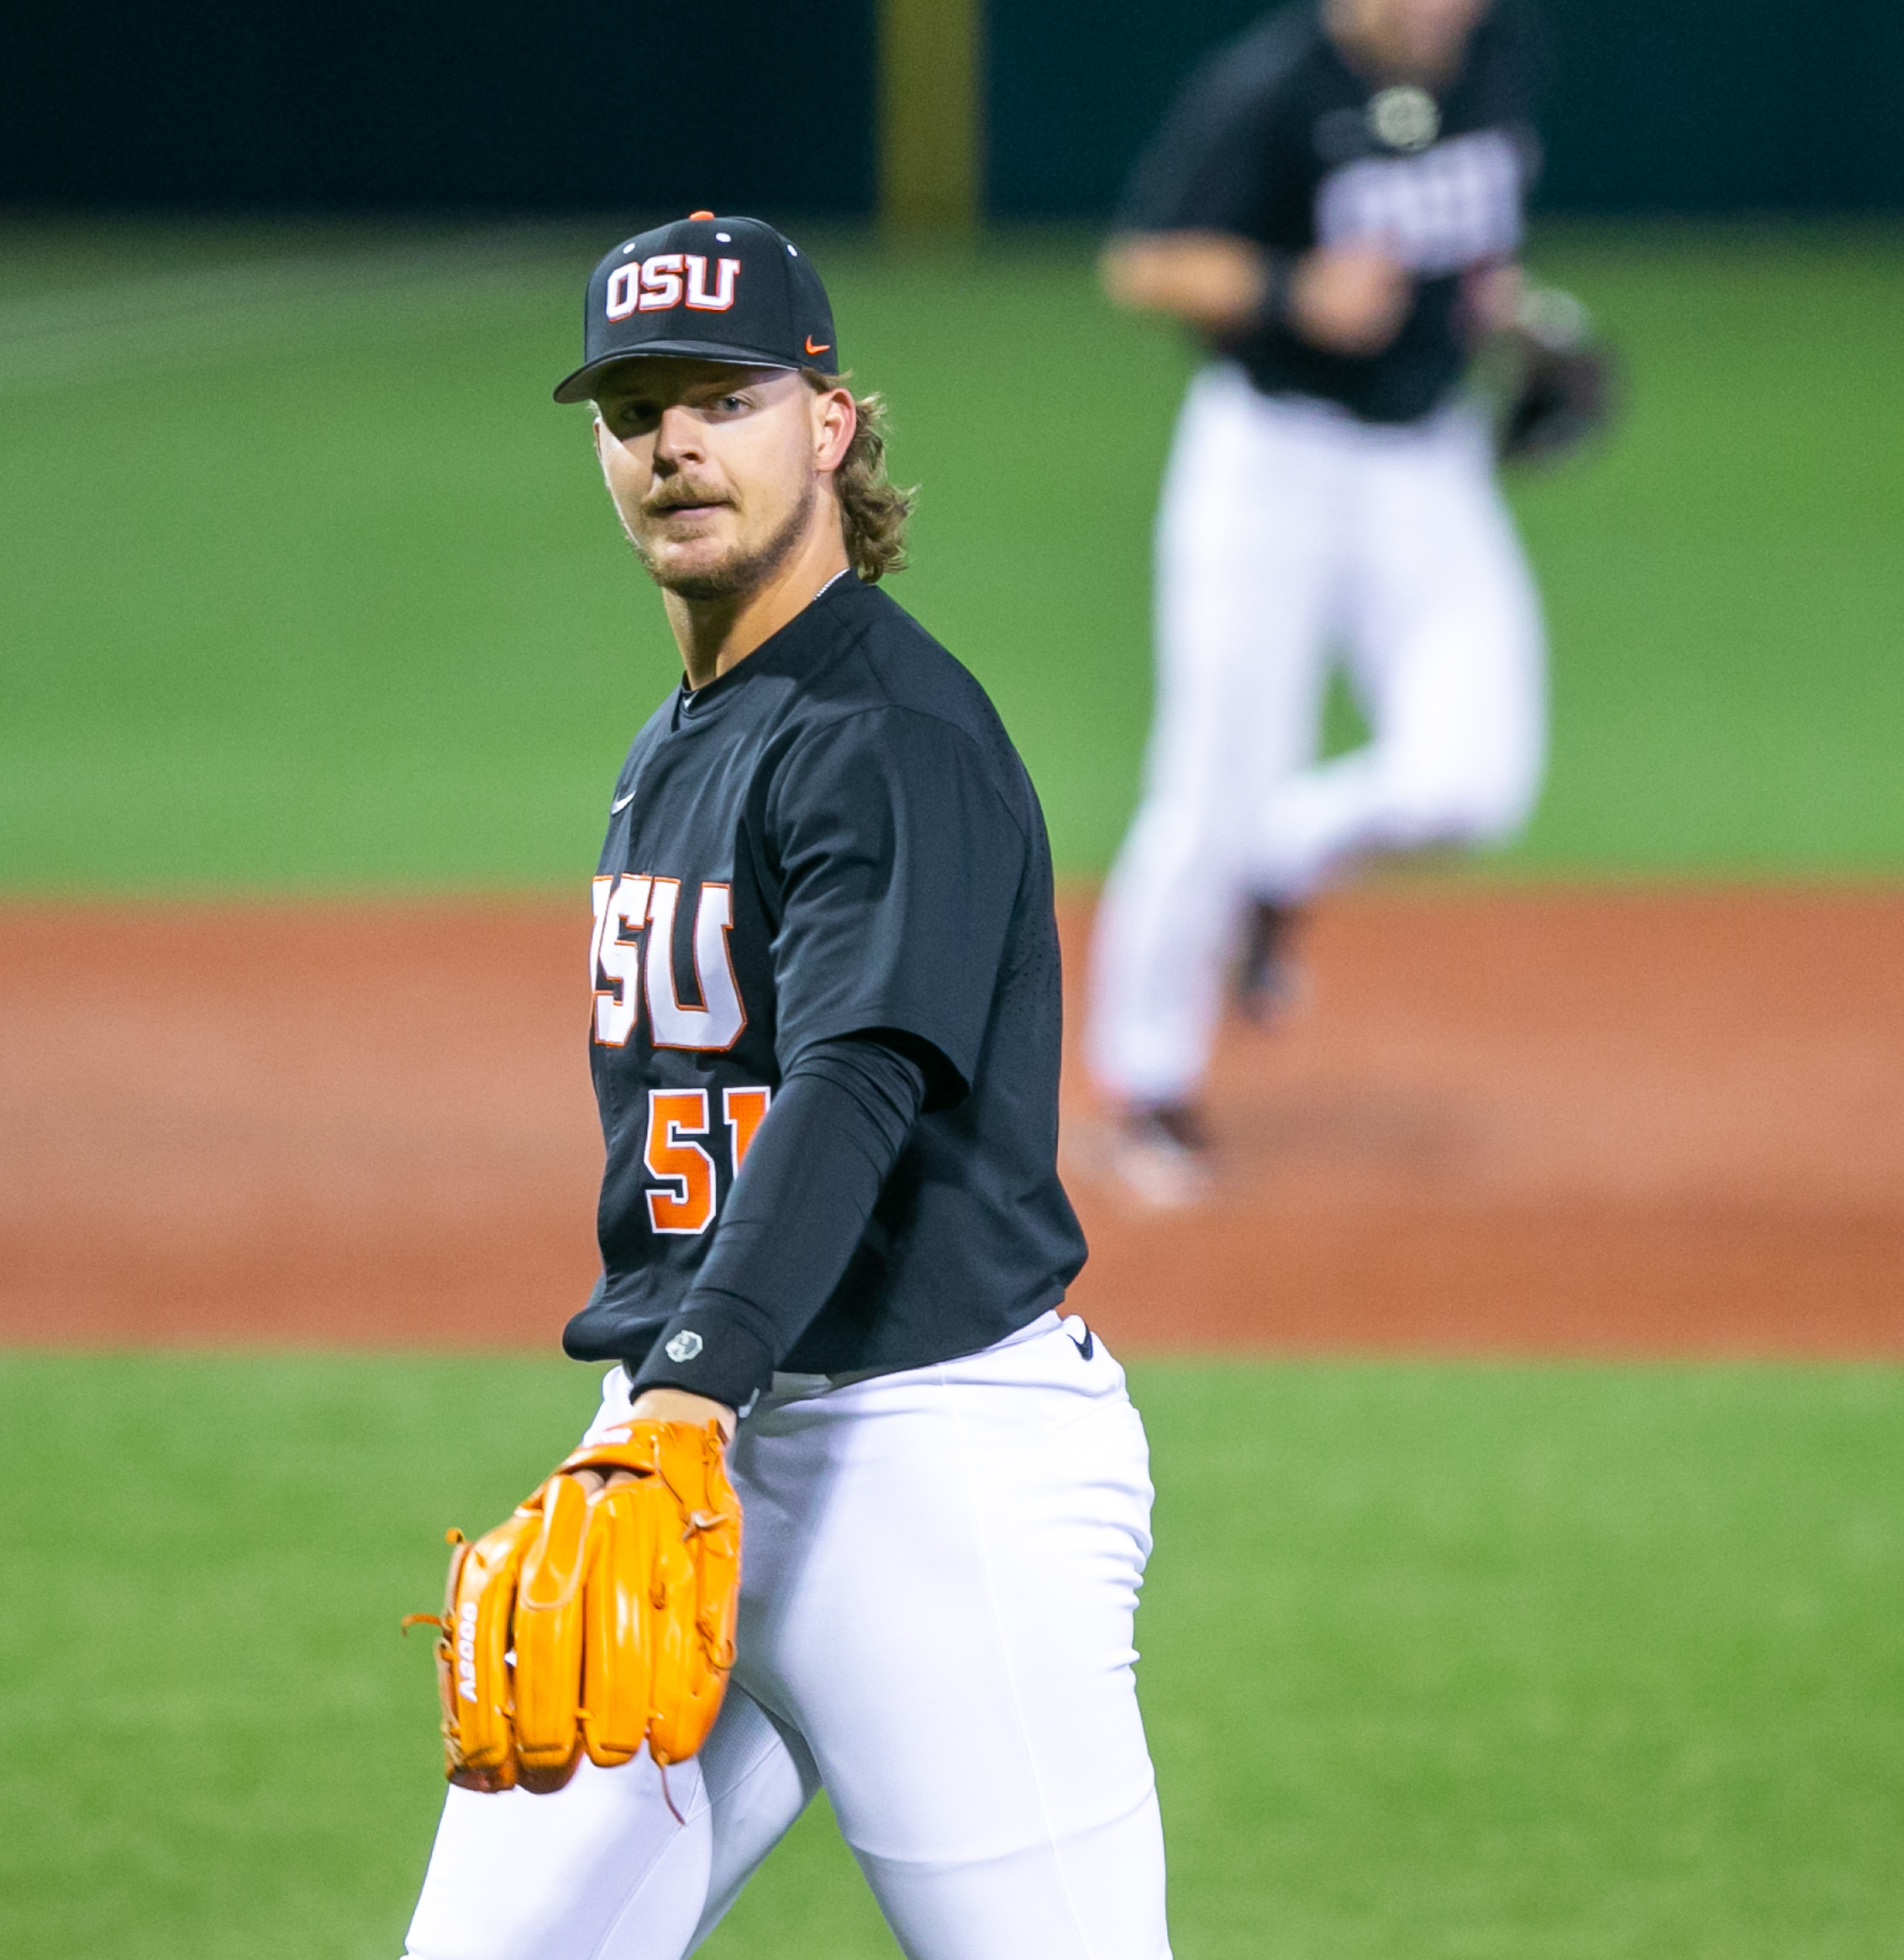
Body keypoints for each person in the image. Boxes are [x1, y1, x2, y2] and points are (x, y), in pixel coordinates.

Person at [399, 213, 1173, 1960]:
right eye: (631, 408)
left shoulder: (884, 736)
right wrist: (667, 1416)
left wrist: (681, 1393)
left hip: (929, 1463)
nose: (672, 443)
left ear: (827, 424)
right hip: (693, 1443)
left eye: (722, 400)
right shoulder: (682, 735)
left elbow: (854, 1084)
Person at [1086, 0, 1552, 1205]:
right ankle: (1148, 1087)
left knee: (1473, 778)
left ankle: (1283, 859)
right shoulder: (1276, 86)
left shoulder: (1492, 56)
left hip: (1428, 465)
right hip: (1269, 466)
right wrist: (1293, 289)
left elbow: (1463, 240)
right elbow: (1142, 260)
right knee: (1208, 785)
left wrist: (1513, 317)